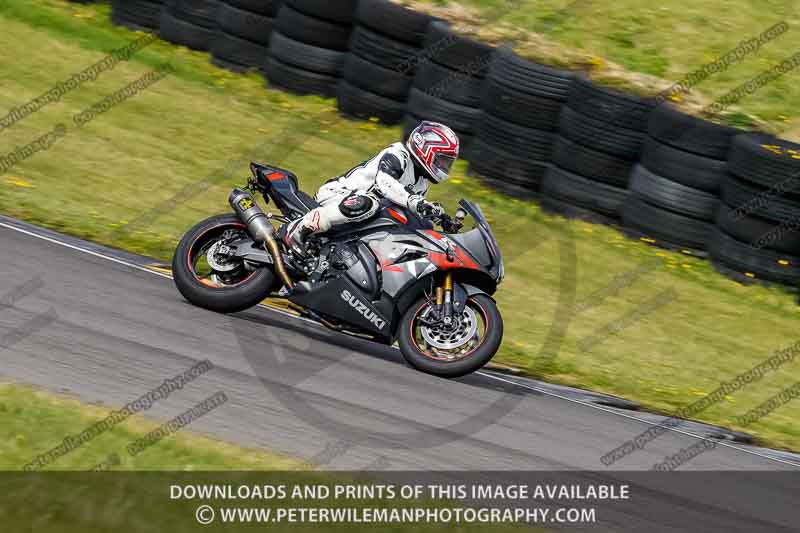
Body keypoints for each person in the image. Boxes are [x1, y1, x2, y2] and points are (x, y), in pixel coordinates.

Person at [284, 121, 460, 257]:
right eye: (442, 160)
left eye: (447, 163)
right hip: (337, 195)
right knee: (369, 203)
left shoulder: (422, 183)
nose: (444, 166)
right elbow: (385, 182)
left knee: (416, 226)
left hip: (364, 214)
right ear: (425, 148)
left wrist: (439, 218)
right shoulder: (398, 154)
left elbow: (414, 210)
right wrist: (415, 202)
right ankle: (300, 228)